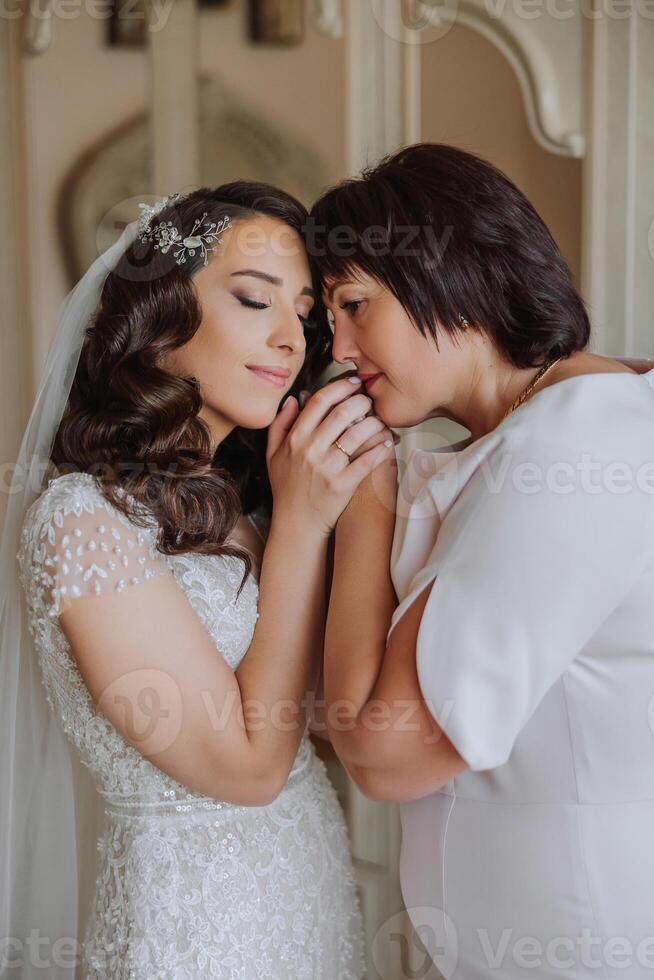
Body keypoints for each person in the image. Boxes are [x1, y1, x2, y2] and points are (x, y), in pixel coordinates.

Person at [3, 182, 395, 978]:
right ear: (159, 318)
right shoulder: (83, 522)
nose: (291, 339)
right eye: (256, 300)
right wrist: (306, 527)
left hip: (303, 903)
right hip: (195, 934)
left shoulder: (236, 508)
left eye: (308, 316)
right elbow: (250, 768)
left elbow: (317, 720)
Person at [308, 142, 654, 979]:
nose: (340, 348)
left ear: (449, 269)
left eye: (355, 305)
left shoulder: (575, 447)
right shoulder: (514, 444)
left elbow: (386, 750)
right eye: (328, 324)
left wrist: (364, 499)